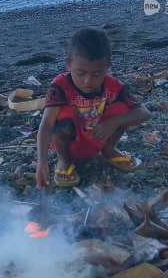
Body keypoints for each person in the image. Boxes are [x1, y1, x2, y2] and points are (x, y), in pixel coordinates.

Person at [36, 27, 151, 189]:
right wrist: (41, 161)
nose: (88, 81)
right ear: (68, 64)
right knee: (62, 112)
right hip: (69, 144)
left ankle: (109, 151)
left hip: (97, 138)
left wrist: (115, 122)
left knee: (122, 108)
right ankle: (64, 160)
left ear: (108, 67)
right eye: (81, 73)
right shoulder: (60, 86)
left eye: (97, 74)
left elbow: (144, 113)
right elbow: (47, 123)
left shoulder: (112, 86)